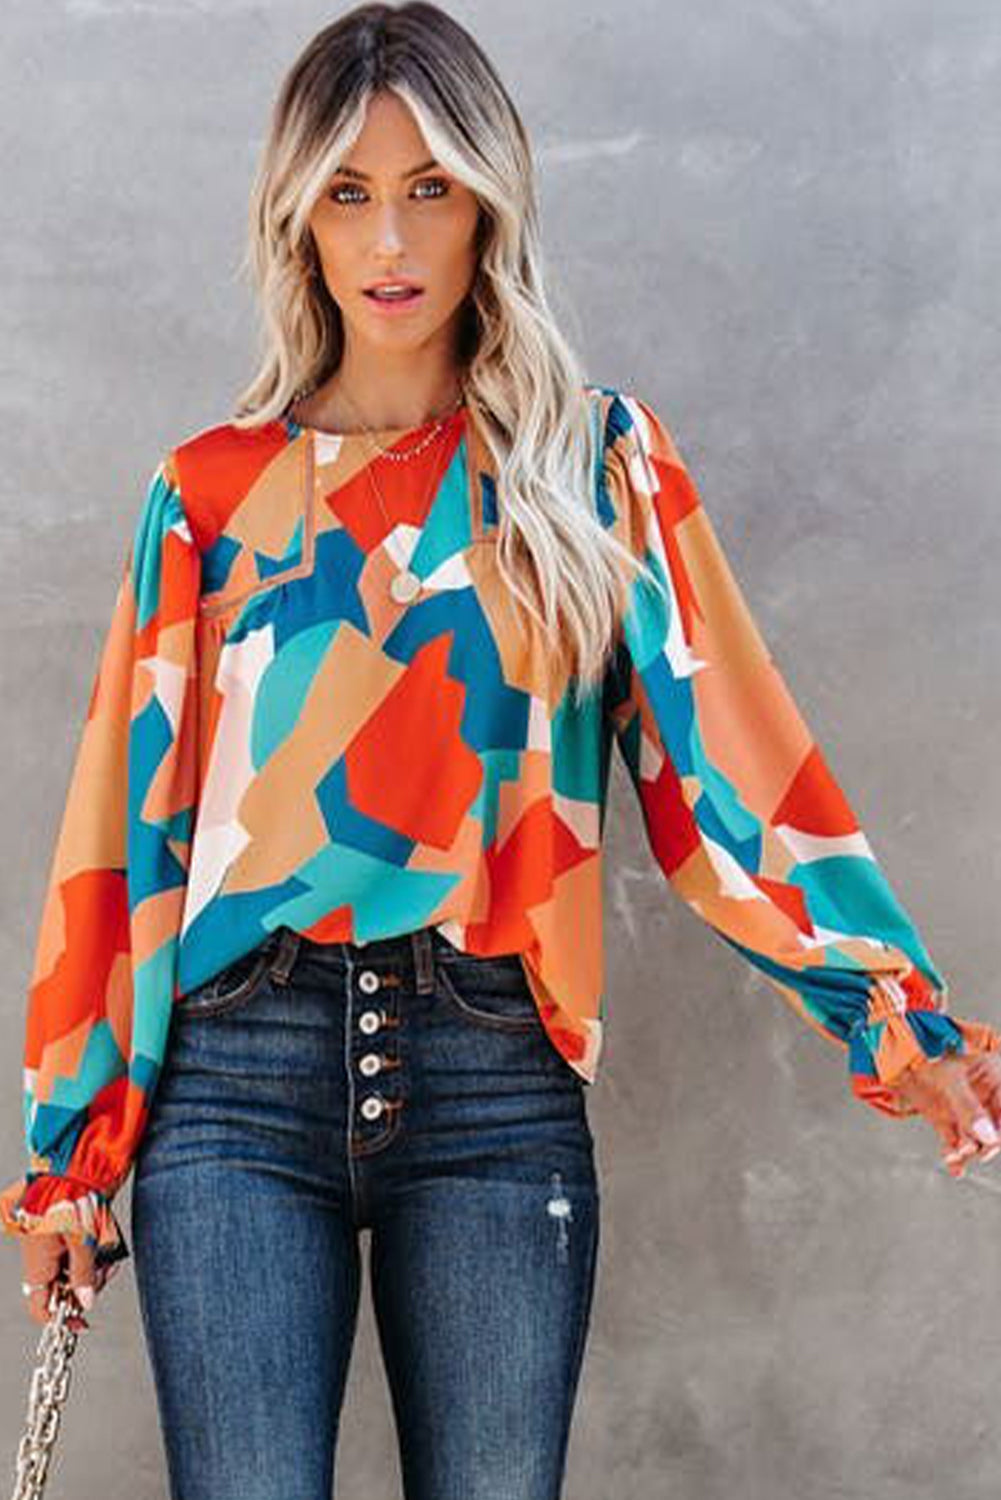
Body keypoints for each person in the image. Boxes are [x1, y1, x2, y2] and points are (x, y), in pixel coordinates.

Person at [3, 3, 1001, 1497]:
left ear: (488, 203)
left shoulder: (592, 466)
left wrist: (888, 1011)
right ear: (298, 219)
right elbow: (122, 837)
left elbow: (729, 771)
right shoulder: (210, 496)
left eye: (431, 187)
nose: (390, 238)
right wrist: (72, 1154)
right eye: (348, 192)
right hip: (236, 1080)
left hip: (492, 1074)